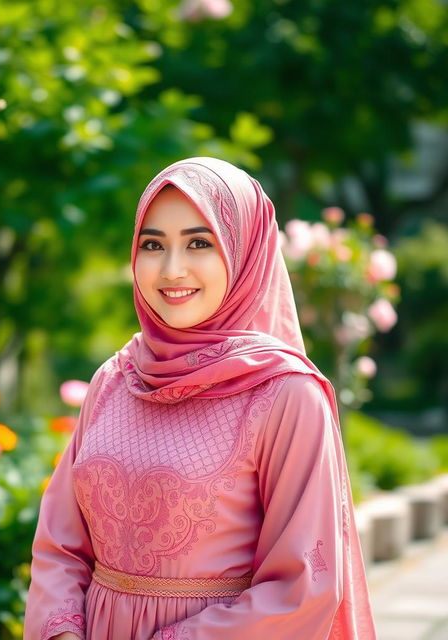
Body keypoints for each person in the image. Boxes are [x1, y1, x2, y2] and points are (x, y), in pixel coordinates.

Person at [23, 157, 376, 640]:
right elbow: (59, 543)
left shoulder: (286, 394)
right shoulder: (115, 379)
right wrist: (62, 632)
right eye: (153, 244)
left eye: (198, 242)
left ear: (244, 252)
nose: (171, 269)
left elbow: (302, 587)